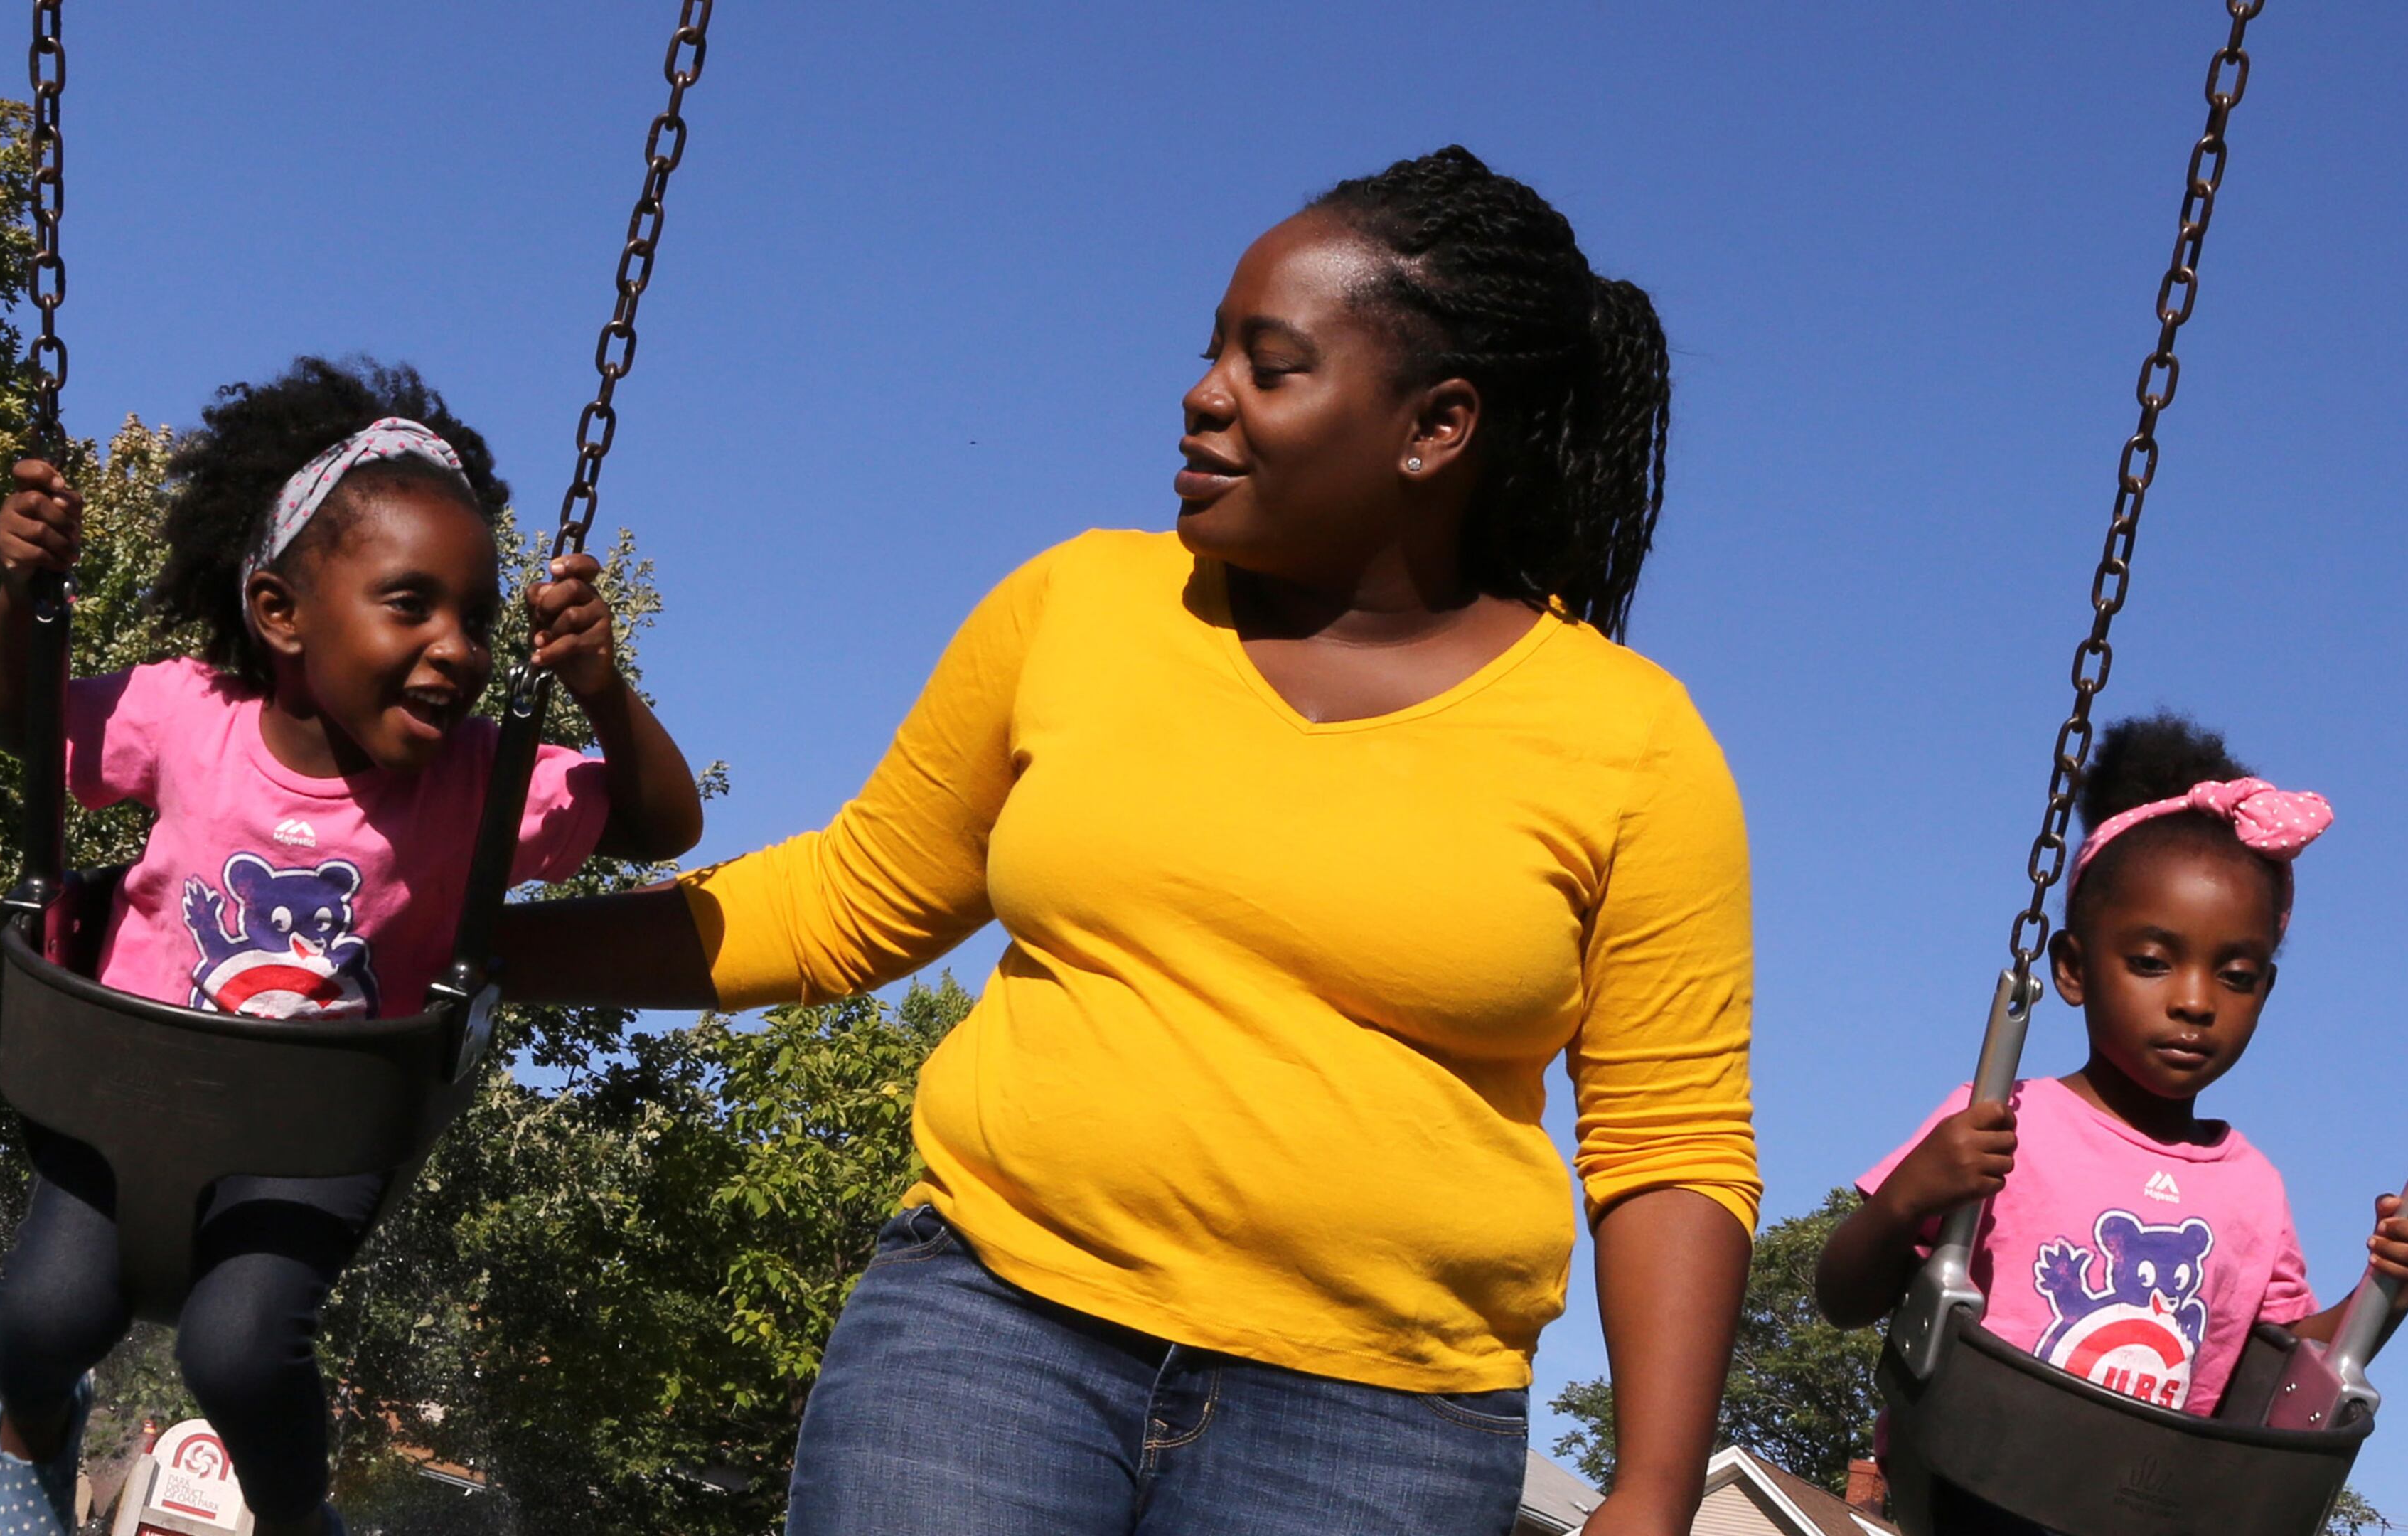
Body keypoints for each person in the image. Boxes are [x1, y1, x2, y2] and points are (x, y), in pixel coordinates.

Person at [494, 146, 1760, 1536]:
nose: (1203, 393)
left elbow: (1671, 1144)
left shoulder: (1631, 742)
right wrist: (478, 941)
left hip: (1378, 1431)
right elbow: (843, 904)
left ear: (1434, 426)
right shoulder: (1080, 606)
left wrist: (1650, 1493)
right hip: (991, 1334)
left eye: (1271, 367)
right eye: (1214, 350)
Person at [0, 357, 705, 1536]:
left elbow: (664, 824)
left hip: (312, 1131)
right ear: (282, 614)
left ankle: (298, 1518)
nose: (459, 647)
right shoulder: (185, 713)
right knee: (40, 1319)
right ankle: (37, 1435)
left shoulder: (477, 782)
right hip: (127, 1092)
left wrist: (604, 695)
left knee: (242, 1345)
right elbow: (27, 720)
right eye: (411, 604)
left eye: (476, 617)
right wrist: (24, 594)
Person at [1814, 714, 2408, 1525]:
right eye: (2153, 963)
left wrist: (2387, 1291)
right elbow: (1842, 1297)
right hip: (1972, 1485)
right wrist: (1906, 1199)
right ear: (2075, 969)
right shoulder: (2001, 1120)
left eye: (2235, 975)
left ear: (2265, 993)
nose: (2194, 1001)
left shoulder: (2251, 1190)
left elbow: (2290, 1375)